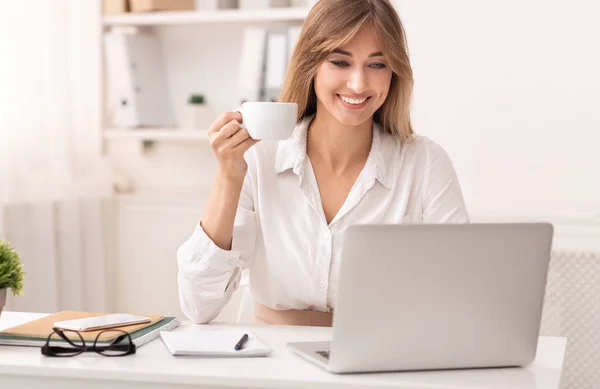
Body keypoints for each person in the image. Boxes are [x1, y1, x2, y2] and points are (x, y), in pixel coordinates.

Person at [177, 0, 469, 327]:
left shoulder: (425, 164)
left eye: (377, 64)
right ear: (310, 64)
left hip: (379, 360)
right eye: (340, 62)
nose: (358, 84)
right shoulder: (259, 157)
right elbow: (198, 305)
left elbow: (459, 296)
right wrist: (228, 176)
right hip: (272, 362)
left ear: (394, 72)